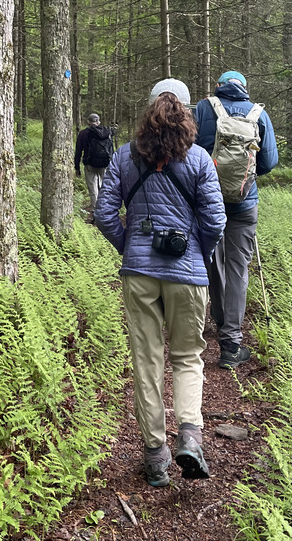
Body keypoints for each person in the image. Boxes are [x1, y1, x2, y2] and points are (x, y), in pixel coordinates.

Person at [95, 79, 226, 488]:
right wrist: (196, 257)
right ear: (187, 114)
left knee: (147, 362)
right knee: (187, 357)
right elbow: (216, 221)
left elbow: (103, 213)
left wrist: (129, 248)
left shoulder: (123, 156)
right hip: (186, 275)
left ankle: (155, 457)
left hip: (139, 275)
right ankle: (189, 435)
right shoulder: (201, 159)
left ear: (148, 111)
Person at [194, 70, 278, 369]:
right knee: (239, 269)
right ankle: (231, 343)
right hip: (244, 203)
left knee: (213, 262)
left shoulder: (204, 108)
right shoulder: (258, 114)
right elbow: (269, 162)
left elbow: (190, 153)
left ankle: (218, 318)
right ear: (243, 88)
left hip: (208, 200)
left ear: (219, 86)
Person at [74, 113, 113, 220]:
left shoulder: (83, 133)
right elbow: (110, 149)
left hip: (89, 164)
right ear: (98, 122)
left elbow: (78, 152)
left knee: (93, 189)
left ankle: (96, 214)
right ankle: (105, 211)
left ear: (88, 122)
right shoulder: (106, 132)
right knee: (103, 187)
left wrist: (76, 167)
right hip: (104, 164)